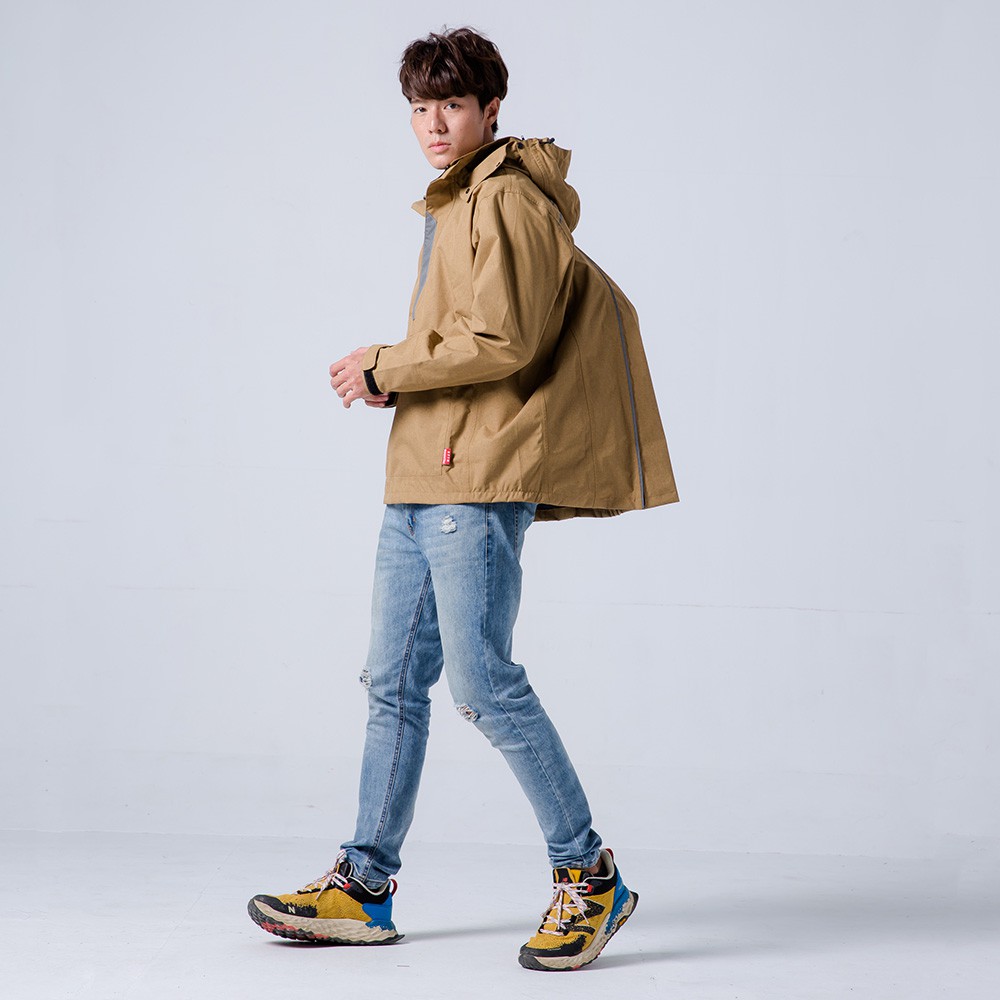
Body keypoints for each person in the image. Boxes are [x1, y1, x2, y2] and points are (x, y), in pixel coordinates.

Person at [247, 26, 678, 972]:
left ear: (491, 110)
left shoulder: (507, 196)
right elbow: (469, 340)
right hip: (424, 470)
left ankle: (589, 875)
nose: (434, 123)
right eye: (419, 107)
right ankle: (364, 886)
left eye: (452, 104)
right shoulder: (456, 199)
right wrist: (396, 381)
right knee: (393, 684)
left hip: (475, 475)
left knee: (483, 684)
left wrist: (384, 365)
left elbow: (504, 339)